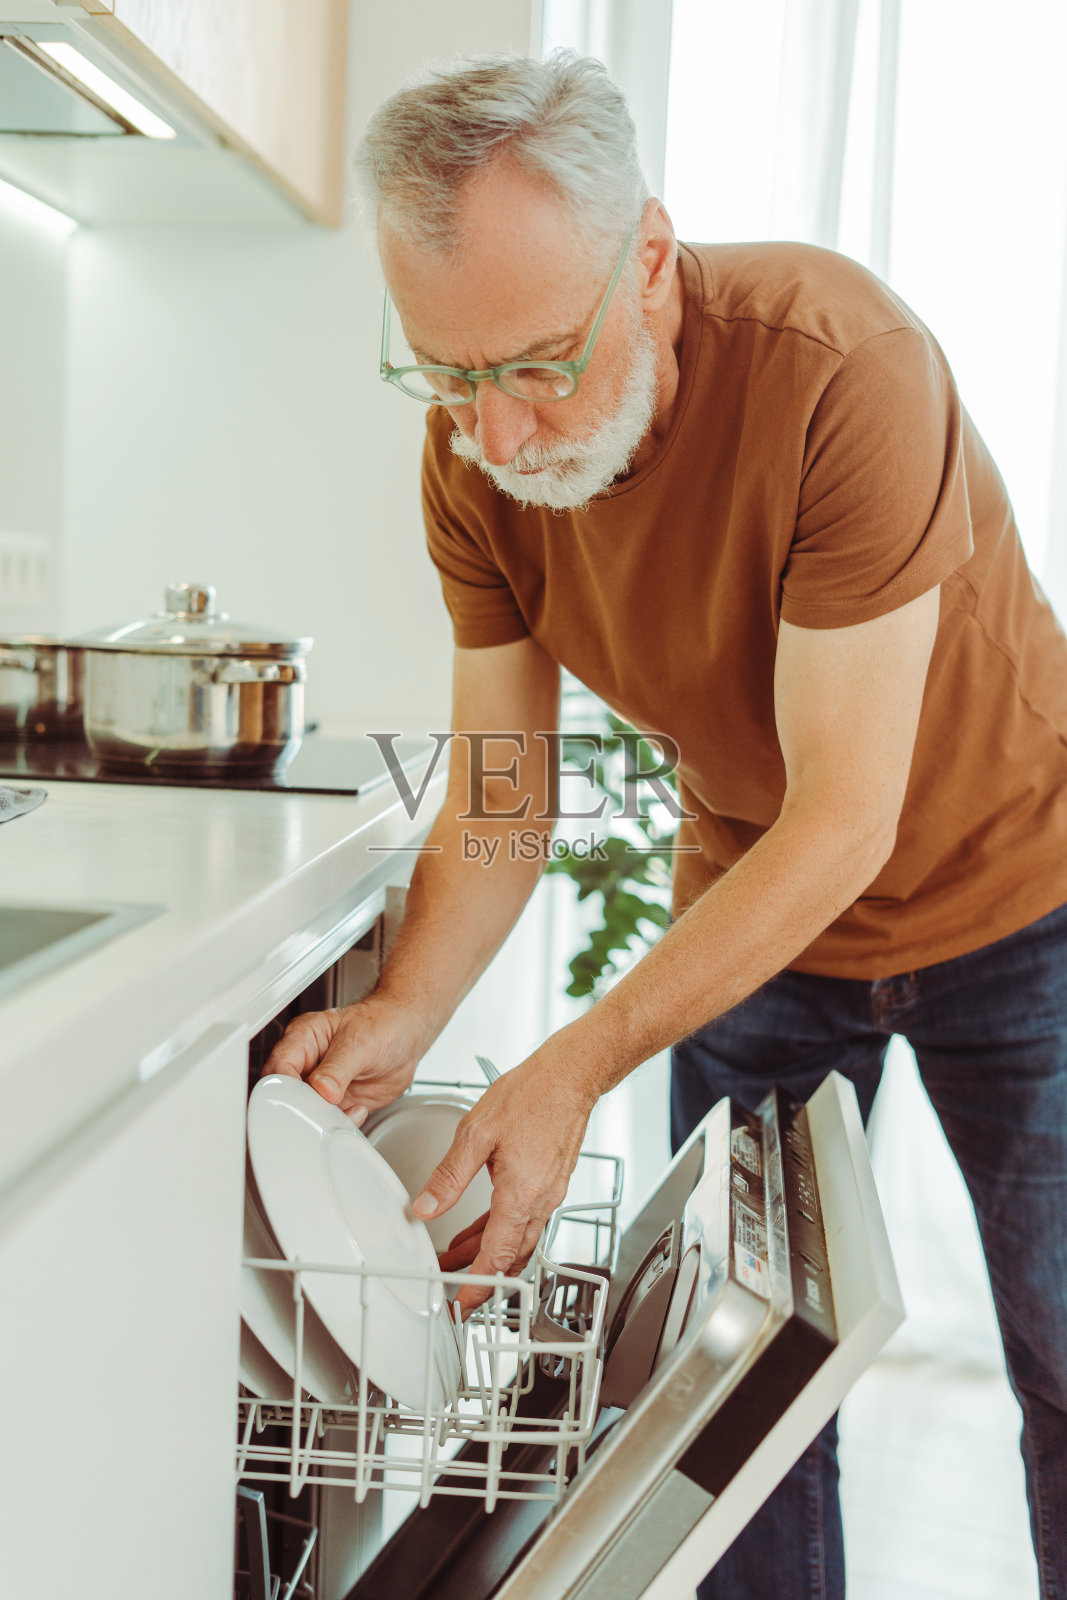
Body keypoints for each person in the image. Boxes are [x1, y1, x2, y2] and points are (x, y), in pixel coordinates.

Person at [265, 51, 1067, 1598]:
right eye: (447, 373)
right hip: (759, 918)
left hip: (1019, 903)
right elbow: (505, 794)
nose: (494, 434)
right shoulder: (475, 461)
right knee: (736, 1397)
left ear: (650, 258)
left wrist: (577, 1062)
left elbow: (846, 822)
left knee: (1065, 1362)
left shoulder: (844, 368)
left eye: (537, 364)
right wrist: (406, 1010)